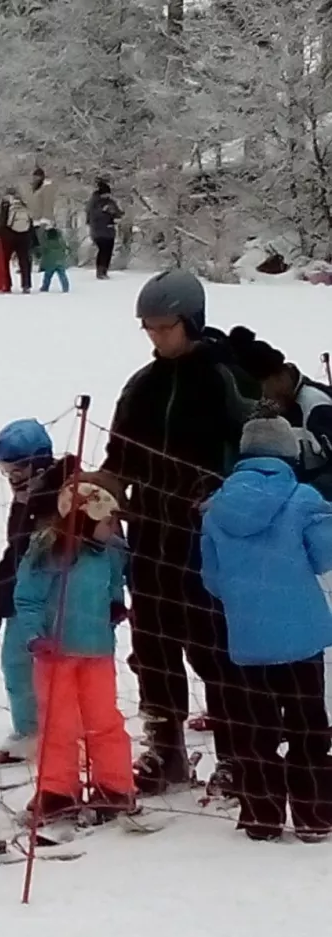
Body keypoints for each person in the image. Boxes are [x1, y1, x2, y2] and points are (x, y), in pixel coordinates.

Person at [104, 268, 259, 796]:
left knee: (213, 643)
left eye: (164, 327)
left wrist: (227, 496)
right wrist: (101, 486)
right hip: (151, 533)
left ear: (191, 322)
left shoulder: (225, 379)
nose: (155, 336)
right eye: (148, 327)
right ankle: (165, 745)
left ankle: (237, 752)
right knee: (152, 641)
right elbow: (120, 456)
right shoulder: (142, 386)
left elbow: (257, 447)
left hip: (208, 537)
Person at [201, 416, 332, 841]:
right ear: (288, 452)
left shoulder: (217, 507)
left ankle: (262, 817)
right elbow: (324, 557)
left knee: (255, 731)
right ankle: (315, 814)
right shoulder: (302, 498)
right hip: (302, 636)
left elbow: (212, 579)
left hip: (247, 638)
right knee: (308, 726)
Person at [10, 472, 138, 827]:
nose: (113, 528)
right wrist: (35, 635)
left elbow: (113, 584)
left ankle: (115, 786)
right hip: (56, 655)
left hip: (97, 651)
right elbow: (28, 598)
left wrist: (116, 604)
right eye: (107, 521)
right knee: (58, 724)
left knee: (104, 720)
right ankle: (57, 791)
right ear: (84, 518)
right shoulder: (49, 550)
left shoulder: (111, 551)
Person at [0, 419, 79, 765]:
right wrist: (0, 592)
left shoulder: (64, 497)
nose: (12, 477)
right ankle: (28, 730)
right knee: (15, 664)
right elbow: (17, 549)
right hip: (22, 599)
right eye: (5, 469)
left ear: (38, 463)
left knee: (57, 669)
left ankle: (66, 731)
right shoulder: (24, 500)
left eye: (18, 469)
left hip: (55, 599)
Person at [229, 327, 332, 497]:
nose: (263, 400)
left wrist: (304, 496)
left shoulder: (315, 404)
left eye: (263, 391)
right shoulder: (283, 406)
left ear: (280, 376)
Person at [0, 187, 34, 293]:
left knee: (4, 260)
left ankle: (6, 284)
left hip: (10, 235)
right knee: (24, 261)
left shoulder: (6, 205)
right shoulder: (25, 206)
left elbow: (3, 221)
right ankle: (26, 285)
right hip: (25, 236)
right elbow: (31, 222)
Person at [87, 178, 123, 279]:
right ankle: (100, 271)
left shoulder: (110, 202)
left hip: (110, 231)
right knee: (103, 250)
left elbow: (118, 212)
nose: (108, 196)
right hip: (98, 231)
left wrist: (117, 215)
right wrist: (103, 212)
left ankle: (104, 270)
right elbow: (91, 216)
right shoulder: (94, 203)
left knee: (108, 251)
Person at [37, 223, 70, 292]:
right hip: (60, 261)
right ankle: (65, 287)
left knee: (47, 276)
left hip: (50, 263)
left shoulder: (47, 243)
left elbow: (42, 251)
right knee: (62, 275)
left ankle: (45, 287)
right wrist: (65, 255)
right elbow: (68, 249)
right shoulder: (61, 242)